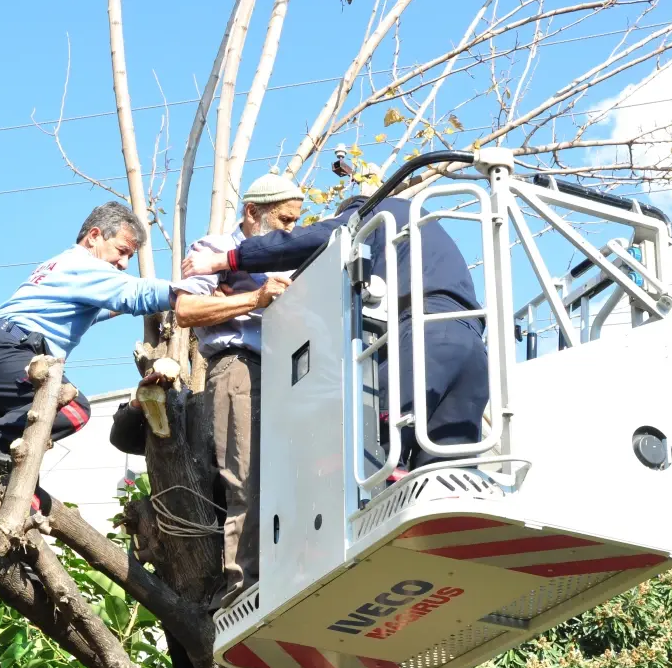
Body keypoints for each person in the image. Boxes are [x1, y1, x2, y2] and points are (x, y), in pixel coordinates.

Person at [183, 191, 488, 474]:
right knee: (444, 473)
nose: (292, 227)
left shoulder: (374, 213)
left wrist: (229, 260)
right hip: (474, 345)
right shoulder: (419, 233)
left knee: (367, 443)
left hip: (426, 337)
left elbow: (315, 239)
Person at [0, 202, 187, 502]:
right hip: (8, 354)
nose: (124, 263)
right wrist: (189, 291)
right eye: (122, 251)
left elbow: (101, 309)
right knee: (73, 407)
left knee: (17, 489)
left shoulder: (59, 267)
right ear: (94, 236)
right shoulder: (84, 264)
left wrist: (138, 309)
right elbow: (136, 294)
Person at [171, 170, 303, 609]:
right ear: (252, 213)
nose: (291, 229)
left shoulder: (293, 253)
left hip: (294, 368)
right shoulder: (212, 249)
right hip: (240, 365)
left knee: (292, 474)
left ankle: (286, 574)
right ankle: (244, 589)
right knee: (246, 476)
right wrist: (254, 299)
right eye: (284, 220)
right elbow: (186, 310)